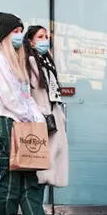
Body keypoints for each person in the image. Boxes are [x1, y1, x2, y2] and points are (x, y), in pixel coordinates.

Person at [0, 12, 67, 215]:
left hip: (20, 122)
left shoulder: (15, 61)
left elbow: (25, 95)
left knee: (29, 178)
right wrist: (29, 115)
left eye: (21, 31)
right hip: (7, 122)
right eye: (16, 32)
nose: (19, 36)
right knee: (11, 181)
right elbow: (8, 95)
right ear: (5, 34)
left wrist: (36, 117)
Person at [24, 25, 69, 190]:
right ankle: (35, 208)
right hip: (42, 117)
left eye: (46, 37)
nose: (45, 40)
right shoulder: (30, 62)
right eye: (40, 37)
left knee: (52, 158)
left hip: (53, 115)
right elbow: (29, 91)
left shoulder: (47, 62)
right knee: (42, 162)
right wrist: (40, 113)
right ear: (31, 41)